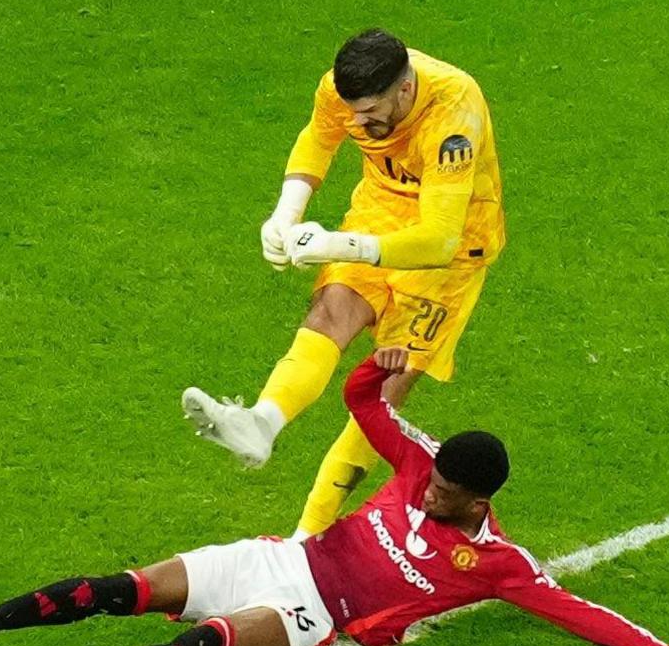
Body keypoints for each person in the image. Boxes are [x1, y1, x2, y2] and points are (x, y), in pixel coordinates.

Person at [0, 348, 669, 646]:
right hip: (282, 558)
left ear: (479, 497)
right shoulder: (418, 464)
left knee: (213, 640)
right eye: (434, 478)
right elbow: (365, 407)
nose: (430, 492)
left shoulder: (495, 562)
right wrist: (378, 366)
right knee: (126, 587)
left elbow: (572, 611)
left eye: (448, 491)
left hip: (317, 616)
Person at [180, 27, 508, 539]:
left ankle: (307, 537)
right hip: (377, 216)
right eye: (353, 109)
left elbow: (439, 239)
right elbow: (320, 136)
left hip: (452, 255)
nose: (358, 122)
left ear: (405, 90)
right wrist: (285, 213)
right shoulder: (345, 89)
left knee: (381, 391)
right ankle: (262, 424)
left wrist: (339, 245)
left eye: (371, 111)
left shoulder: (452, 115)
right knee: (329, 313)